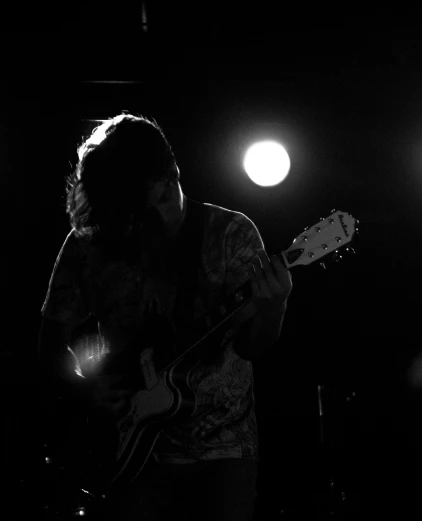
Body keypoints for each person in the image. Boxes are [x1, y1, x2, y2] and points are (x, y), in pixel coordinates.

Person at [37, 114, 292, 521]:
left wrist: (274, 306)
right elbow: (50, 344)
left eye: (162, 199)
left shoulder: (230, 234)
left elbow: (250, 346)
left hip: (223, 452)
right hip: (126, 455)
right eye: (140, 211)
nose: (159, 218)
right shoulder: (89, 245)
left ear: (174, 170)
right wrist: (84, 389)